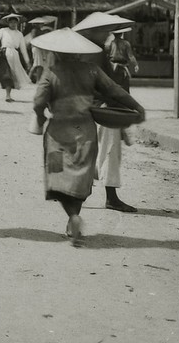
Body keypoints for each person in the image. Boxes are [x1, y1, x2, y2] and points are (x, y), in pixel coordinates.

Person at [32, 29, 144, 246]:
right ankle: (75, 214)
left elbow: (38, 103)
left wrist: (39, 116)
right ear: (79, 53)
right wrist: (137, 106)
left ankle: (71, 216)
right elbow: (115, 90)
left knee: (56, 177)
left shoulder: (51, 72)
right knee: (80, 176)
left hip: (56, 134)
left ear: (57, 53)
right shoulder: (92, 71)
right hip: (85, 131)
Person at [73, 12, 140, 213]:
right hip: (102, 107)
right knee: (110, 151)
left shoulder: (77, 51)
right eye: (103, 31)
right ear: (93, 32)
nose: (107, 34)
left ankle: (78, 197)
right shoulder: (96, 53)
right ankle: (111, 197)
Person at [107, 28, 139, 92]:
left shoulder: (111, 43)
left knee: (113, 86)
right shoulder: (125, 43)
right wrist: (136, 65)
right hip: (119, 66)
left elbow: (107, 55)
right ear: (121, 34)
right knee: (124, 87)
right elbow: (130, 56)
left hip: (113, 66)